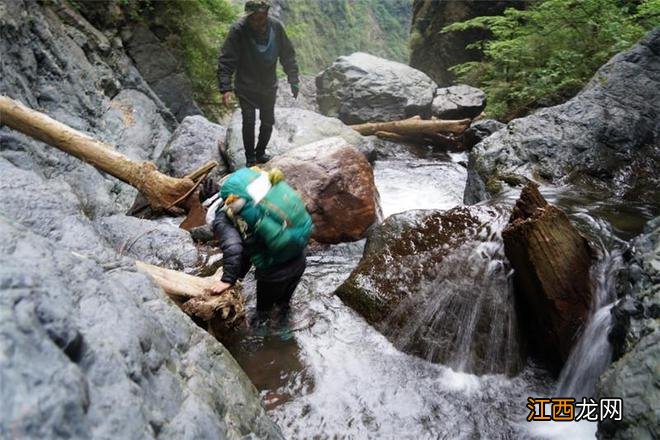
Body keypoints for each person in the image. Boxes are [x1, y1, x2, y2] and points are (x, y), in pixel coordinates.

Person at [203, 168, 312, 326]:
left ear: (207, 207)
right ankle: (286, 336)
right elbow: (248, 248)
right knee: (283, 306)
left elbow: (234, 248)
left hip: (273, 274)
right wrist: (238, 277)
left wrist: (228, 280)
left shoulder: (223, 218)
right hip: (299, 261)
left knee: (262, 316)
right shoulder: (255, 202)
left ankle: (268, 344)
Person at [217, 0, 300, 167]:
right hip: (246, 84)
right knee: (249, 120)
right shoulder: (238, 30)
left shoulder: (276, 28)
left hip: (268, 84)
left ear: (266, 15)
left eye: (260, 18)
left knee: (268, 120)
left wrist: (293, 79)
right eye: (252, 18)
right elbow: (227, 60)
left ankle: (260, 152)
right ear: (248, 16)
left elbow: (287, 55)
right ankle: (250, 159)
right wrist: (225, 88)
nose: (256, 22)